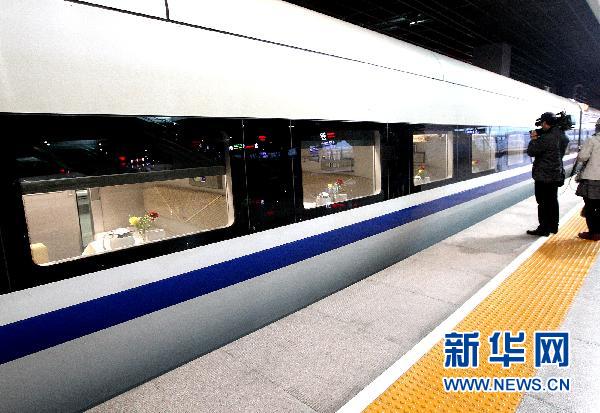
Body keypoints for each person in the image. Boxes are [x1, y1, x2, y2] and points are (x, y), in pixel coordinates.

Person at [526, 112, 569, 236]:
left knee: (543, 202)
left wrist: (534, 139)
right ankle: (553, 227)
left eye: (542, 123)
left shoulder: (546, 138)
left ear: (545, 123)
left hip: (544, 176)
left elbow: (531, 151)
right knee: (553, 201)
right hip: (556, 175)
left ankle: (543, 229)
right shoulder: (562, 136)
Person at [575, 118, 600, 240]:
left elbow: (582, 157)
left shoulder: (592, 140)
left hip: (592, 178)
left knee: (590, 207)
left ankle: (593, 232)